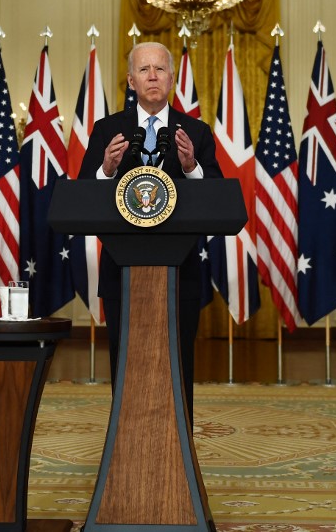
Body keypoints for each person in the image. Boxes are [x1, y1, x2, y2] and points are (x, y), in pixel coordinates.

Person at [78, 42, 221, 418]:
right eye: (144, 70)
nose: (153, 76)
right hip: (121, 273)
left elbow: (217, 198)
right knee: (125, 363)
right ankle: (123, 444)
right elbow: (83, 197)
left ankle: (180, 449)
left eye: (160, 69)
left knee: (178, 363)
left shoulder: (196, 132)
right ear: (130, 80)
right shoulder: (107, 131)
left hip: (181, 273)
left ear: (172, 78)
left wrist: (191, 166)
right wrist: (105, 169)